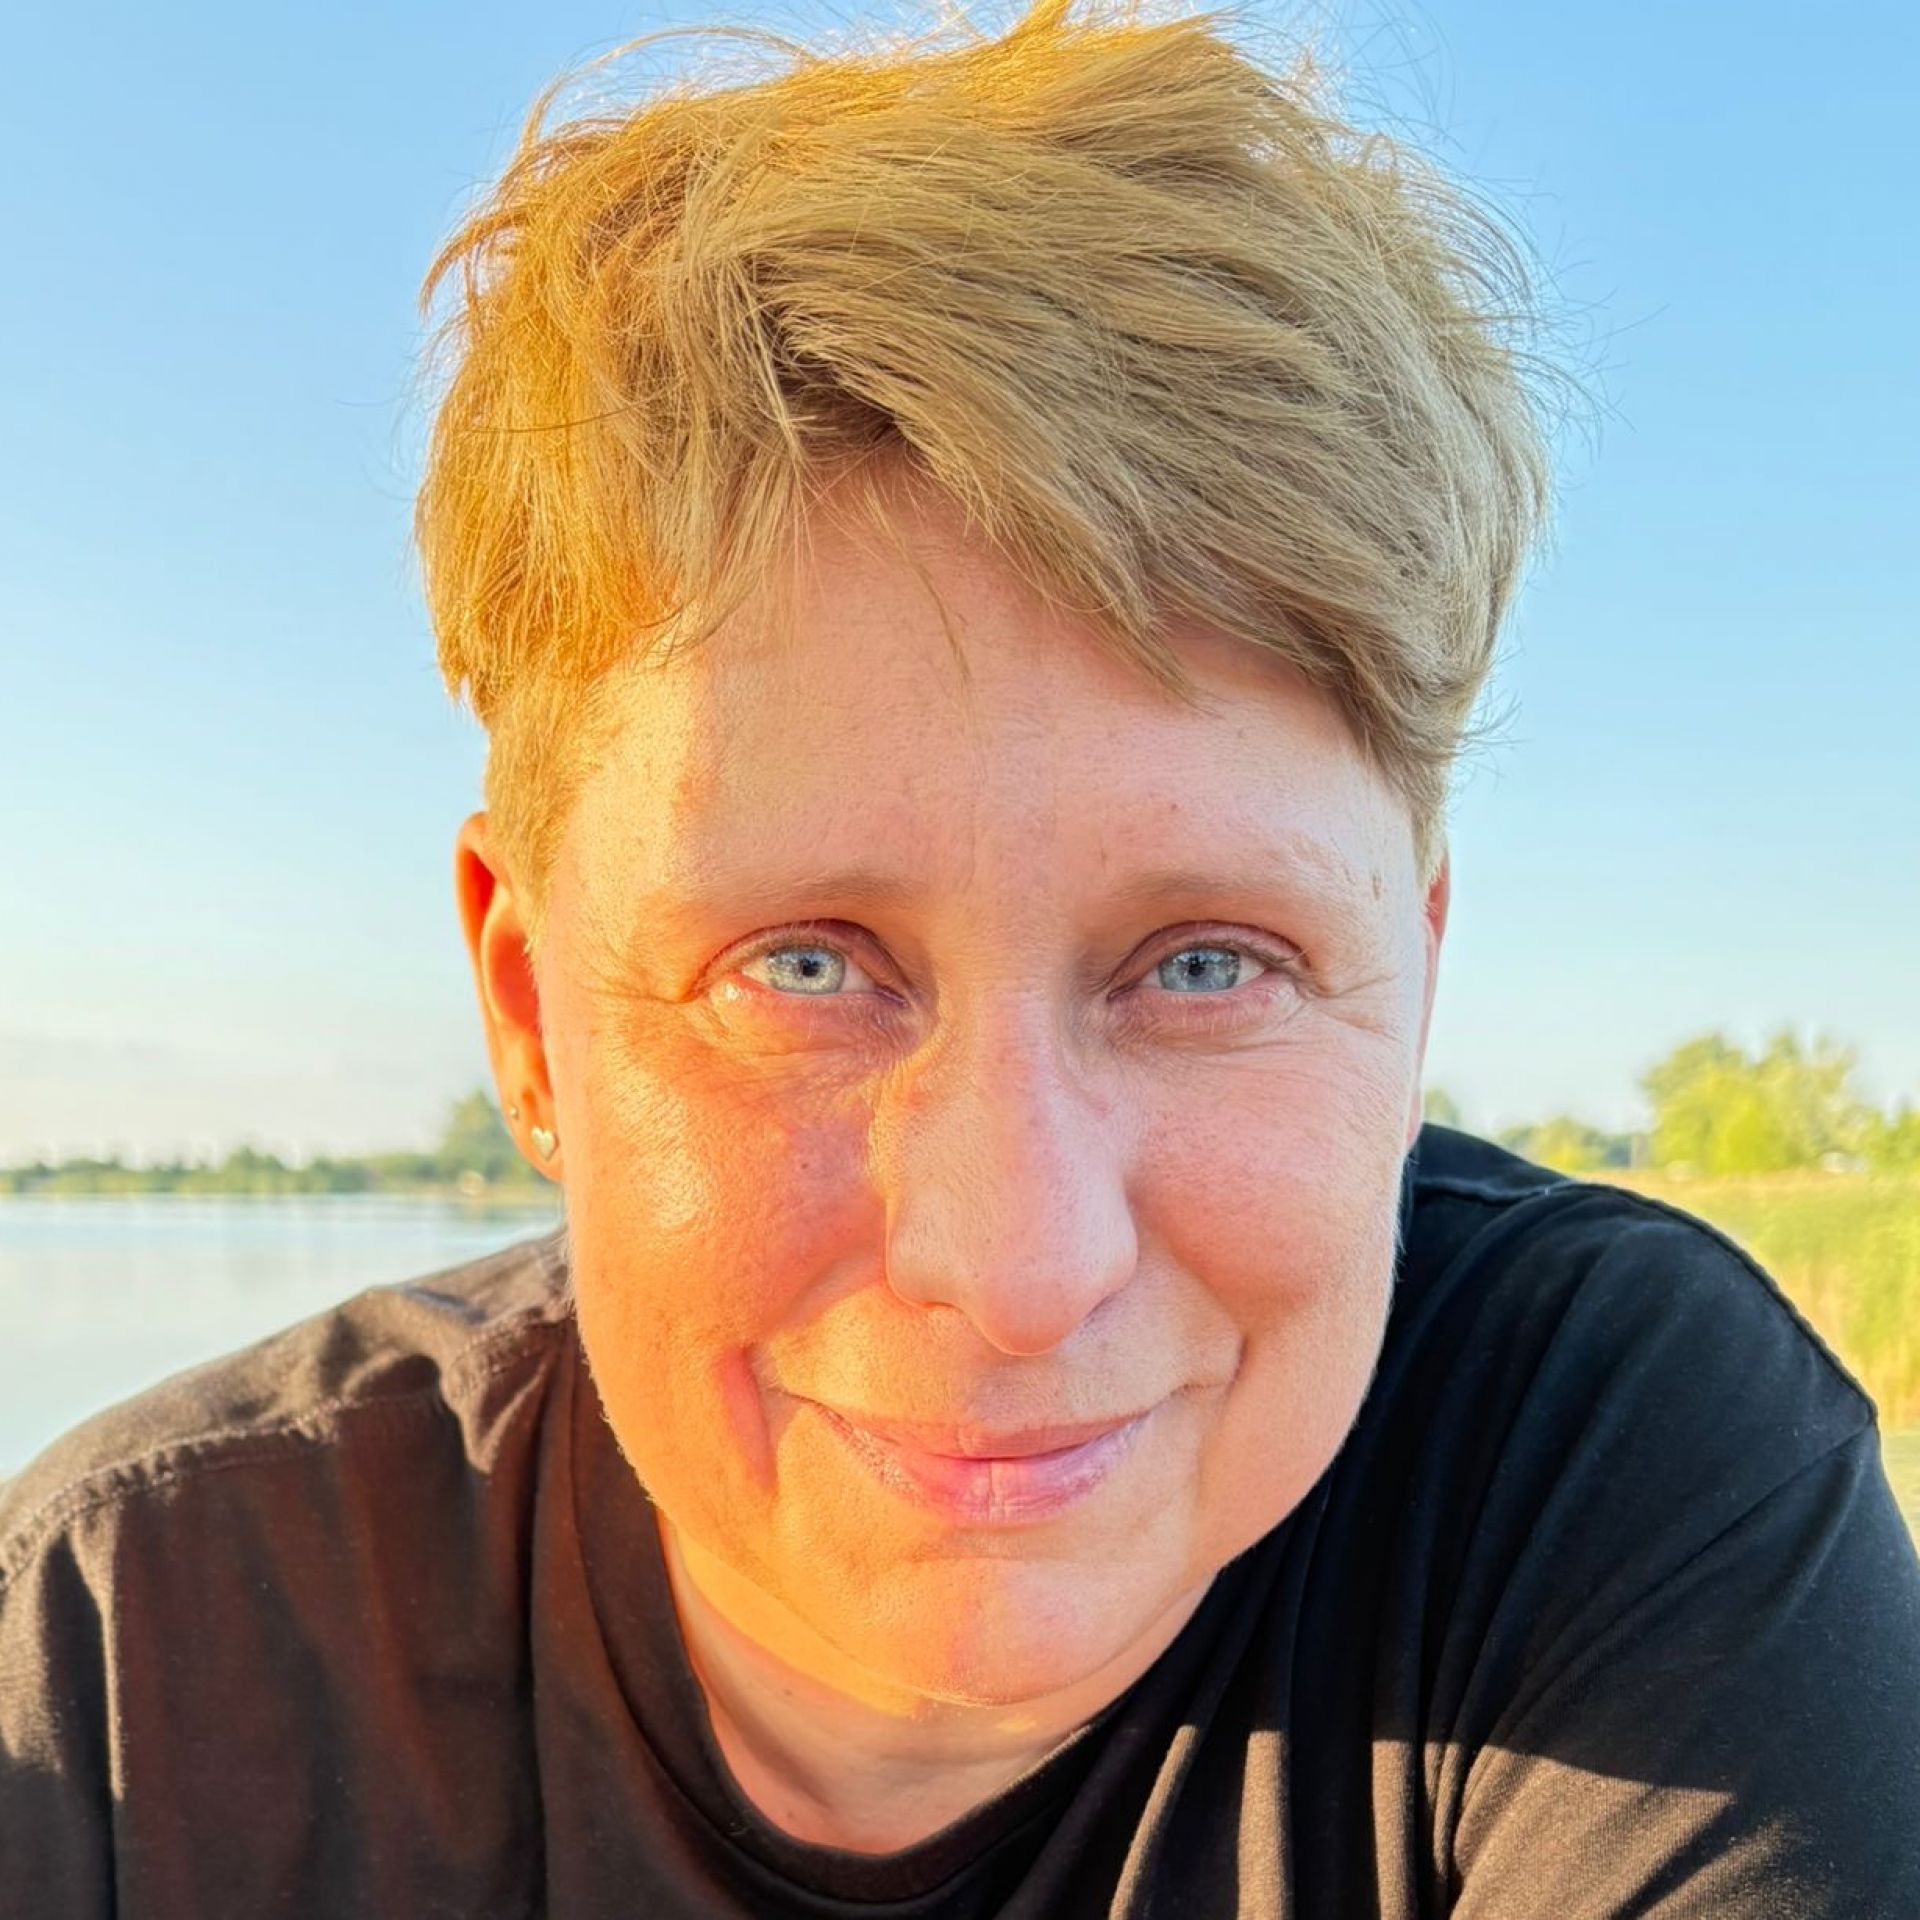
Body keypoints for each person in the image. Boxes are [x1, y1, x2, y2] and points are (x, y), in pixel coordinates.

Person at [3, 1, 1917, 1913]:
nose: (1018, 1271)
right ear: (527, 1010)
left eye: (1208, 967)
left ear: (1408, 990)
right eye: (802, 971)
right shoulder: (121, 1664)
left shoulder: (1609, 1479)